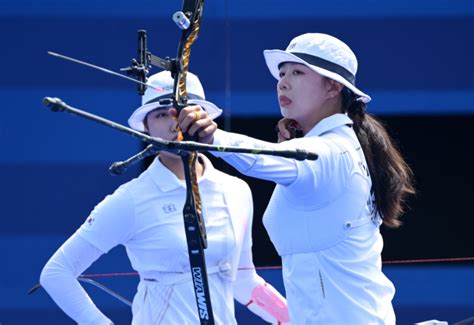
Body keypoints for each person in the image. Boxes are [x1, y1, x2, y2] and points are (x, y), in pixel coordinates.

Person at [177, 33, 415, 324]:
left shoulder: (334, 151)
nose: (283, 82)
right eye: (282, 73)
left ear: (333, 86)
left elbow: (266, 159)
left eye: (298, 72)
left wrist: (212, 136)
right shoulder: (336, 144)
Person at [39, 71, 290, 325]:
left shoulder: (235, 190)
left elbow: (242, 279)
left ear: (202, 118)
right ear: (146, 127)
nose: (175, 125)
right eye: (161, 115)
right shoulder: (132, 199)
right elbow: (56, 273)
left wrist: (294, 319)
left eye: (183, 112)